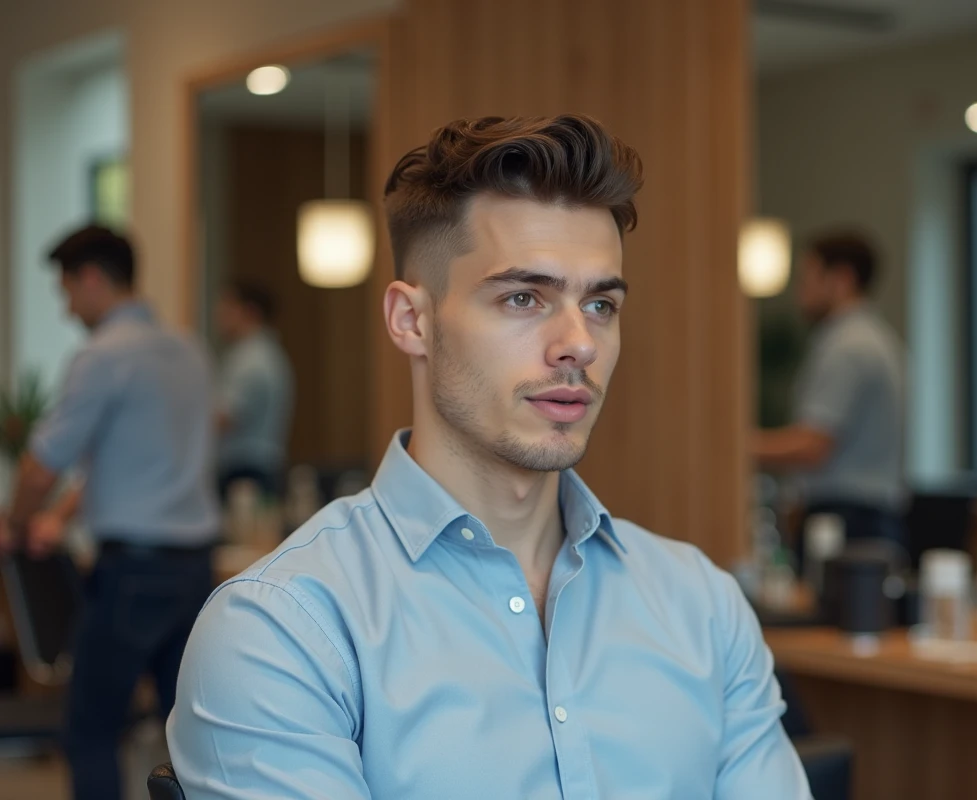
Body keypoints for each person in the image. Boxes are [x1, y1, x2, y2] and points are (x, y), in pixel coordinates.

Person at [167, 114, 812, 798]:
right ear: (411, 321)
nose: (578, 344)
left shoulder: (703, 606)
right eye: (524, 298)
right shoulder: (282, 631)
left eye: (599, 304)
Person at [0, 225, 219, 800]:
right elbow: (134, 455)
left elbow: (42, 465)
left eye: (67, 289)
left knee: (91, 730)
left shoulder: (102, 356)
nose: (67, 307)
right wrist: (64, 516)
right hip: (196, 570)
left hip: (132, 575)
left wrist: (16, 523)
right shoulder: (189, 351)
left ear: (92, 278)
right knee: (190, 738)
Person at [755, 230, 907, 551]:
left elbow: (812, 445)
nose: (800, 293)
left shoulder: (848, 346)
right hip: (869, 513)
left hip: (849, 517)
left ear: (841, 279)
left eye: (808, 279)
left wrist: (734, 447)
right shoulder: (874, 337)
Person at [214, 280, 294, 501]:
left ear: (249, 311)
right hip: (257, 466)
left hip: (247, 470)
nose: (219, 314)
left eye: (228, 307)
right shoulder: (265, 352)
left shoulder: (252, 359)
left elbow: (225, 418)